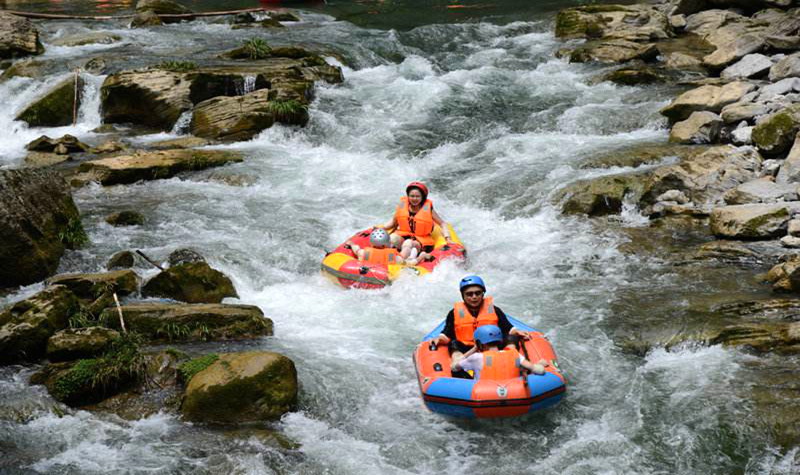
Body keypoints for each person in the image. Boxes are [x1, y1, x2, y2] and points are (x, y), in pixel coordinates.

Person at [430, 275, 532, 367]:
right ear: (463, 296)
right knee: (453, 343)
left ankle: (510, 360)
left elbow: (508, 328)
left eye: (478, 293)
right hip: (468, 349)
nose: (474, 297)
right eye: (469, 294)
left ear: (483, 294)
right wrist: (439, 339)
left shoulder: (494, 310)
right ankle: (458, 364)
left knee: (511, 337)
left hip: (493, 346)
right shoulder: (454, 313)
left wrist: (517, 332)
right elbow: (447, 334)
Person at [377, 182, 452, 263]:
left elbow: (442, 223)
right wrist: (380, 228)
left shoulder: (428, 209)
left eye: (417, 196)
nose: (414, 199)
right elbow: (392, 223)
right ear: (408, 196)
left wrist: (448, 238)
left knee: (408, 243)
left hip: (421, 242)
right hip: (404, 236)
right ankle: (384, 257)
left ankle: (399, 260)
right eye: (412, 196)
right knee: (392, 238)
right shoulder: (402, 206)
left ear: (422, 197)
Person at [452, 325, 547, 380]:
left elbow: (454, 368)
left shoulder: (476, 357)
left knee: (465, 372)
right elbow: (539, 370)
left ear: (479, 343)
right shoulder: (515, 354)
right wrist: (540, 364)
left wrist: (474, 348)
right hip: (514, 394)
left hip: (484, 396)